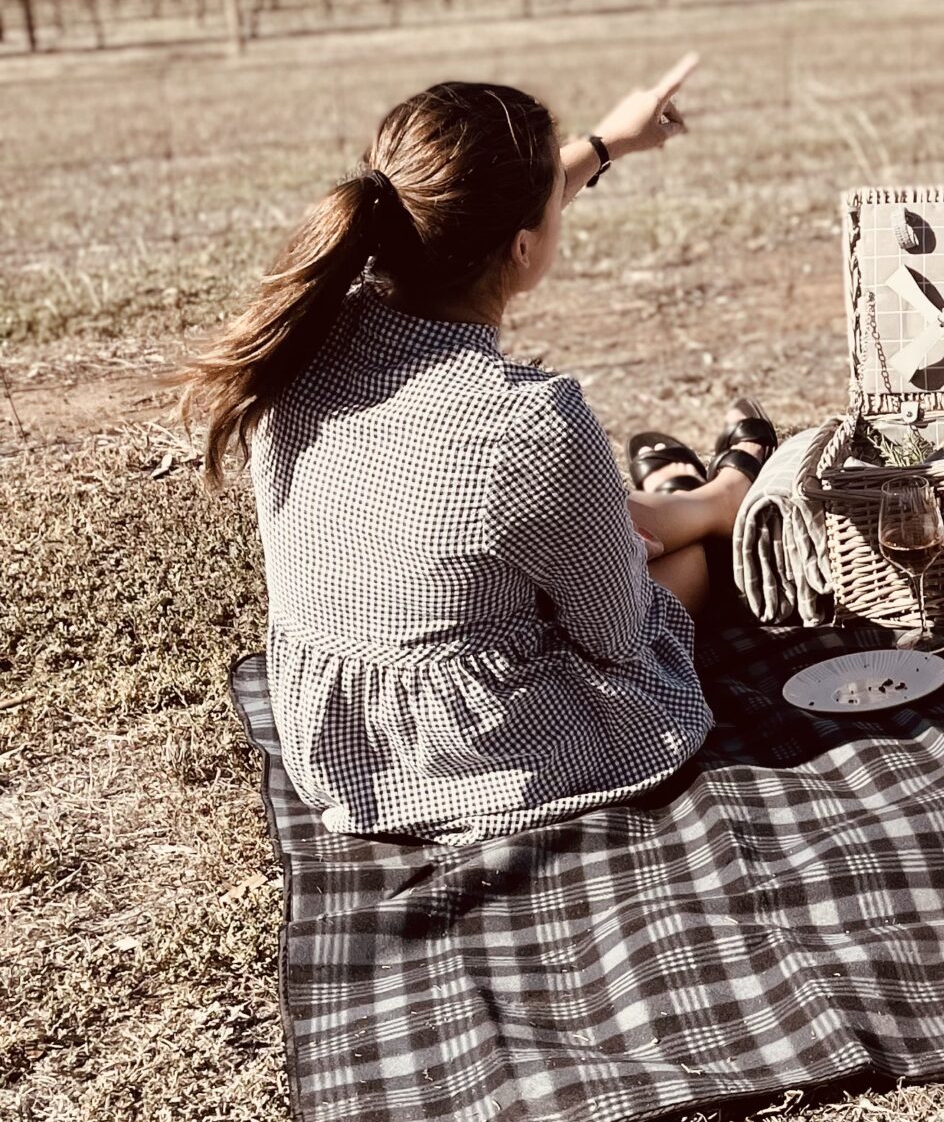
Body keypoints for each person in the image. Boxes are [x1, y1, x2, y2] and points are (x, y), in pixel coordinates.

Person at [182, 55, 773, 843]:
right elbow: (619, 636)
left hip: (333, 736)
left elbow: (461, 216)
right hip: (469, 750)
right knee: (671, 573)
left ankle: (700, 495)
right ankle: (720, 502)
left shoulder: (306, 330)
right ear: (524, 250)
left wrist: (606, 144)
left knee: (568, 517)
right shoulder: (525, 425)